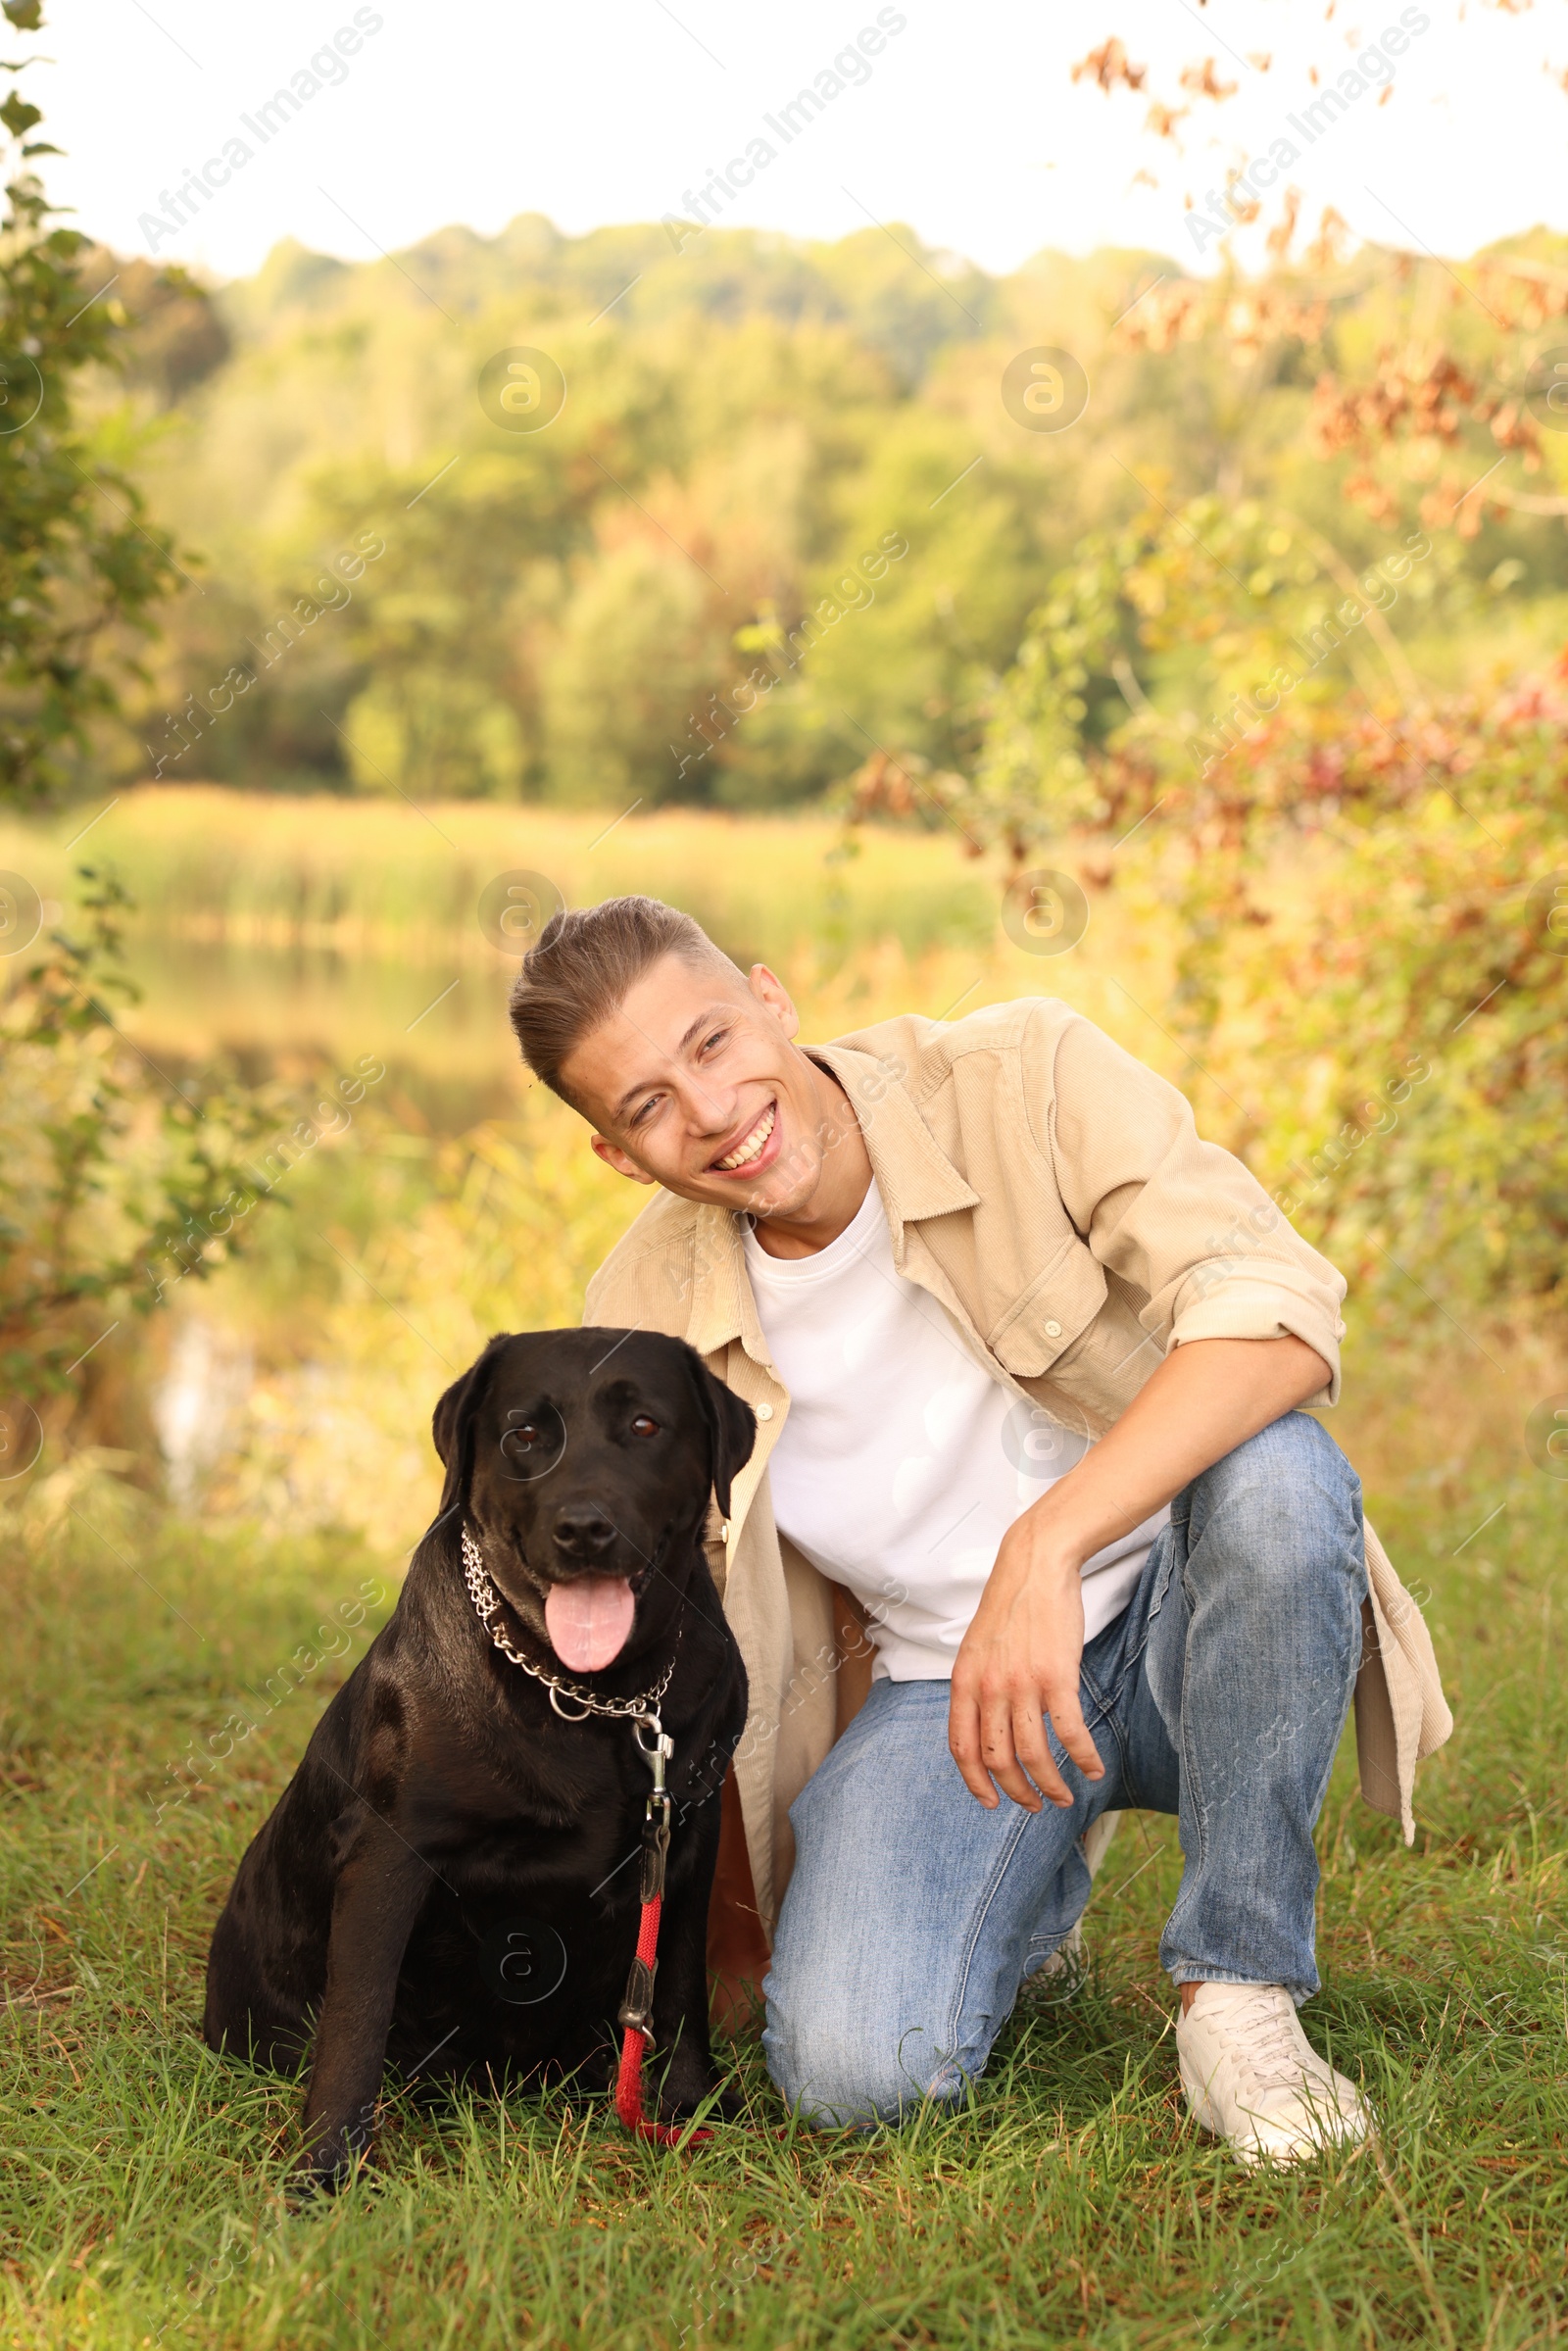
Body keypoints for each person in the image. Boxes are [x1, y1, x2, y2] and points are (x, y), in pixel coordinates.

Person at [506, 895, 1450, 2165]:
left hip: (1194, 1618)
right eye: (648, 1106)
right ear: (621, 1156)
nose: (714, 1111)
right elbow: (689, 1634)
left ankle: (1239, 1997)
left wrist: (1045, 1545)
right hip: (955, 1693)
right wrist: (724, 1947)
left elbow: (1278, 1310)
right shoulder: (641, 1312)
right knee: (849, 2073)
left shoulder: (1020, 1076)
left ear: (773, 999)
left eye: (713, 1042)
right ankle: (1031, 1881)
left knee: (1277, 1474)